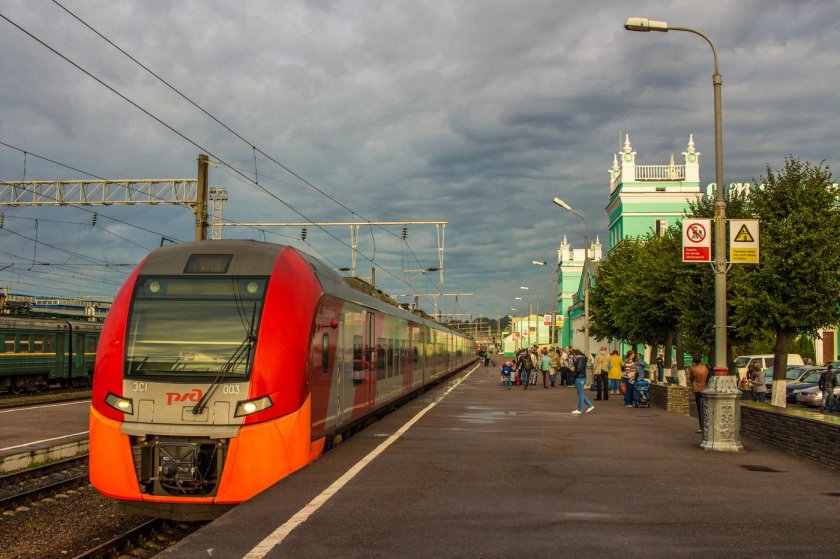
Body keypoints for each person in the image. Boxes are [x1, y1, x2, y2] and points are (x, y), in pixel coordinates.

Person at [689, 354, 709, 433]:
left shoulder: (693, 369)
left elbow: (691, 379)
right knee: (706, 408)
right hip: (706, 389)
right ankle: (707, 425)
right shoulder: (706, 368)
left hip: (697, 390)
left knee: (699, 408)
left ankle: (701, 427)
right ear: (701, 359)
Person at [571, 349, 595, 414]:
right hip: (582, 377)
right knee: (581, 393)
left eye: (574, 355)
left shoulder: (580, 359)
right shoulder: (583, 359)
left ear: (576, 354)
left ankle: (580, 409)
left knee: (581, 394)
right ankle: (590, 405)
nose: (574, 356)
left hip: (579, 378)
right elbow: (578, 366)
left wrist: (574, 375)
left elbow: (578, 368)